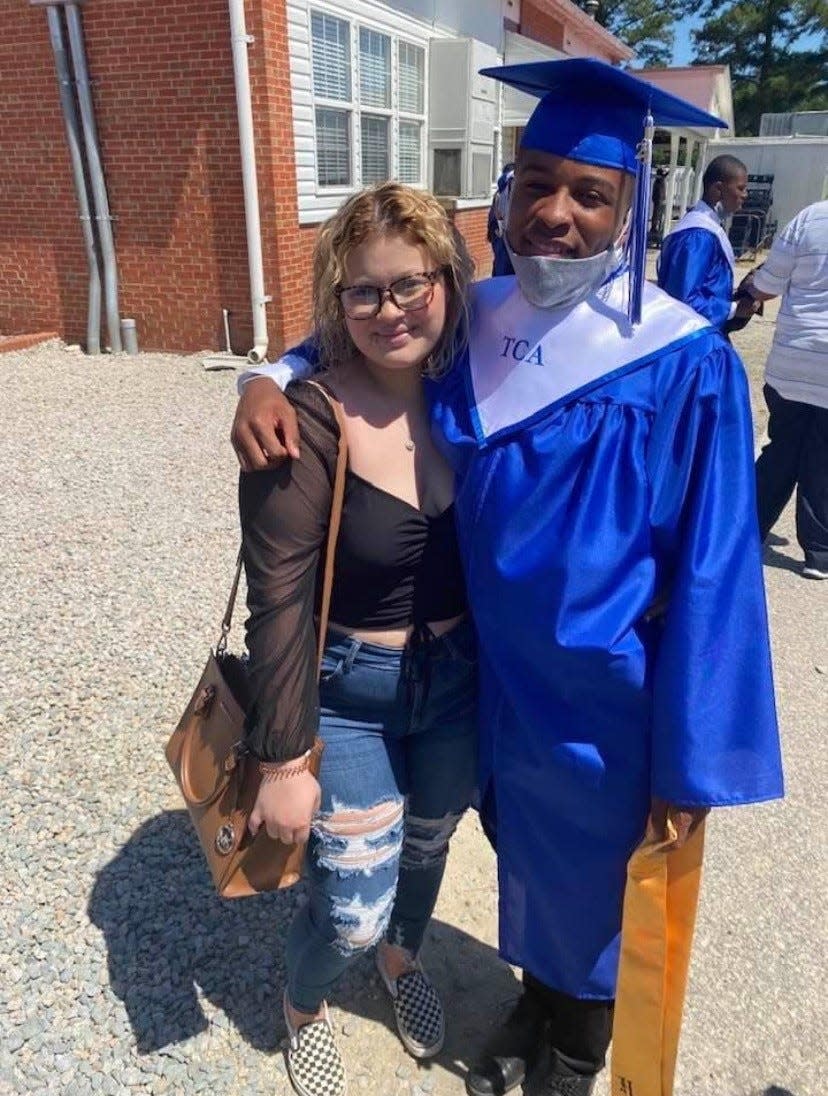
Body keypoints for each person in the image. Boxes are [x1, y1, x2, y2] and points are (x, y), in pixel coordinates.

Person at [233, 60, 784, 1096]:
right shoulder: (478, 314)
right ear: (506, 188)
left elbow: (718, 569)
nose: (555, 214)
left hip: (601, 698)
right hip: (490, 678)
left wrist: (693, 746)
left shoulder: (678, 359)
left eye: (590, 193)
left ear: (632, 208)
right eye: (537, 182)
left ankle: (576, 1052)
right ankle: (538, 1001)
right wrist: (271, 374)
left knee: (600, 867)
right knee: (525, 855)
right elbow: (356, 332)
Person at [240, 182, 478, 1096]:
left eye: (411, 284)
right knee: (349, 904)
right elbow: (281, 600)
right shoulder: (305, 418)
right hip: (349, 693)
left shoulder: (477, 393)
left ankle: (403, 961)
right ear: (336, 302)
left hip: (458, 681)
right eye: (364, 291)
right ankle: (305, 1003)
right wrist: (281, 759)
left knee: (428, 847)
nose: (391, 310)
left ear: (447, 282)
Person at [745, 199, 828, 579]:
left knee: (782, 450)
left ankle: (749, 531)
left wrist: (749, 288)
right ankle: (819, 553)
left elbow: (768, 286)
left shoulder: (809, 218)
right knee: (823, 457)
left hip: (794, 361)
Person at [657, 154, 758, 331]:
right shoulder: (697, 236)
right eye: (740, 188)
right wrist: (734, 309)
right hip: (692, 341)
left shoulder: (704, 229)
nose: (745, 195)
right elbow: (684, 301)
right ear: (718, 190)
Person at [487, 163, 516, 276]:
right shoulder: (514, 186)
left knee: (500, 267)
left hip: (498, 233)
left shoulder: (499, 192)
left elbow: (495, 214)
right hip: (508, 235)